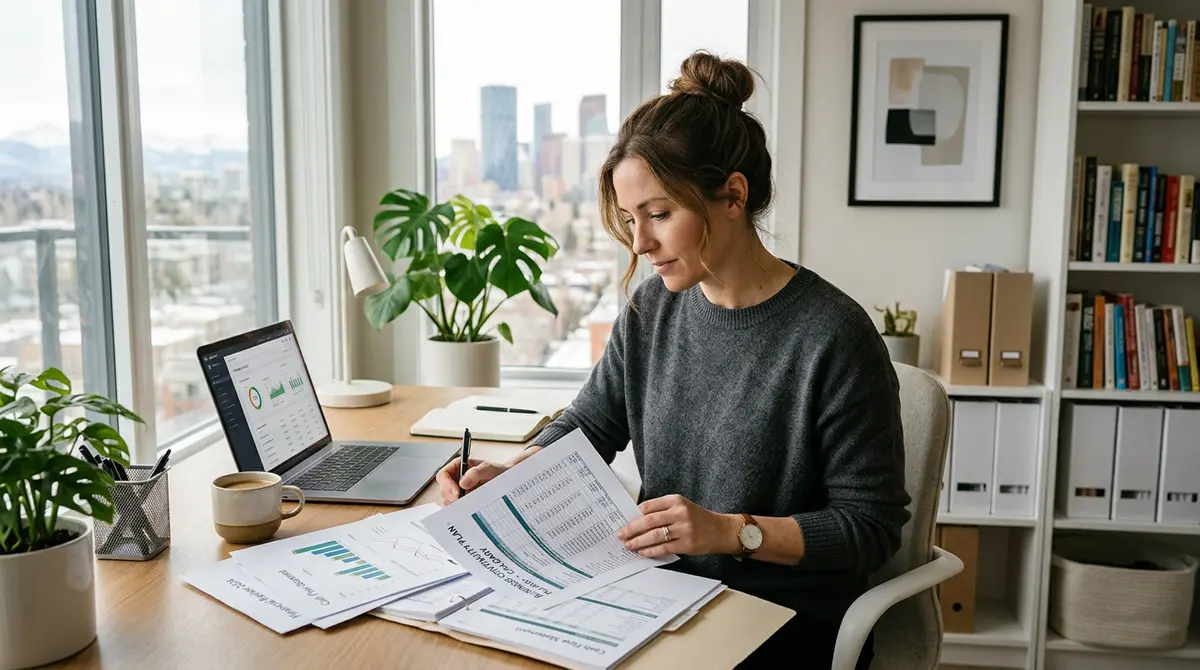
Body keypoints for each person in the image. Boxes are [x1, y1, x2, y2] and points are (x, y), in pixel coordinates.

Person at [435, 50, 911, 669]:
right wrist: (514, 477)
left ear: (732, 196)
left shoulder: (834, 337)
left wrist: (731, 532)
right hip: (662, 592)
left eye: (660, 214)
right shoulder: (652, 307)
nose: (640, 242)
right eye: (632, 219)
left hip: (783, 619)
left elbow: (869, 528)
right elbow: (591, 423)